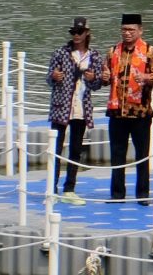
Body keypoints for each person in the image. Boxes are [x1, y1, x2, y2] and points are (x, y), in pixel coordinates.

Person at [101, 14, 153, 205]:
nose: (127, 33)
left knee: (142, 154)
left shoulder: (150, 51)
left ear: (140, 30)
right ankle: (117, 194)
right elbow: (105, 78)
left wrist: (146, 77)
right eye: (124, 30)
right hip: (117, 110)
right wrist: (102, 77)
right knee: (117, 153)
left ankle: (142, 194)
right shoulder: (112, 52)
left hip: (140, 111)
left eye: (131, 30)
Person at [46, 17, 103, 205]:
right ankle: (51, 189)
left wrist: (94, 77)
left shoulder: (94, 56)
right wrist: (54, 76)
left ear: (87, 33)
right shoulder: (61, 53)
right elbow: (48, 79)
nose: (76, 36)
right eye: (73, 33)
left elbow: (97, 85)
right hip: (61, 107)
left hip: (81, 107)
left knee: (76, 150)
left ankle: (69, 189)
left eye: (79, 32)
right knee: (55, 148)